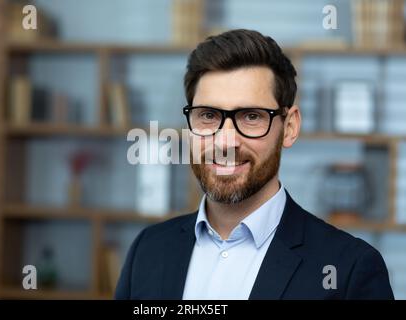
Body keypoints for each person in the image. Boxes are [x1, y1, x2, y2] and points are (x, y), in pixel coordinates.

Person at [115, 29, 394, 300]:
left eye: (250, 117)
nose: (225, 142)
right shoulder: (148, 249)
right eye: (208, 115)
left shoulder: (350, 271)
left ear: (290, 127)